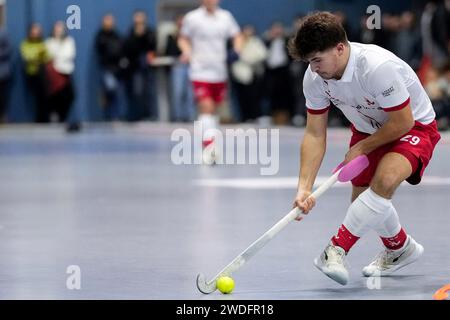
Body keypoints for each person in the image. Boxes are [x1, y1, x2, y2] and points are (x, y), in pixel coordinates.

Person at [288, 12, 441, 285]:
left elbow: (402, 122)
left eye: (317, 60)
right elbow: (314, 134)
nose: (313, 68)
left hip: (412, 125)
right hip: (368, 128)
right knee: (364, 202)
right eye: (309, 62)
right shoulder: (315, 79)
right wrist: (304, 187)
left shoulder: (375, 67)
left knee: (385, 179)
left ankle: (335, 250)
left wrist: (362, 148)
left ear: (340, 48)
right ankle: (400, 248)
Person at [178, 0, 242, 164]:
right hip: (199, 70)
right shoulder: (192, 18)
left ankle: (210, 144)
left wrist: (236, 50)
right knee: (206, 106)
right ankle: (209, 146)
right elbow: (183, 39)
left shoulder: (225, 17)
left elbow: (237, 36)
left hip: (219, 71)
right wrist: (187, 52)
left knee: (214, 110)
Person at [122, 10, 157, 122]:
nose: (139, 20)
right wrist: (137, 36)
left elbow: (153, 47)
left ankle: (149, 114)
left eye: (141, 17)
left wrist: (144, 36)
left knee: (149, 91)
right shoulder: (131, 33)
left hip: (148, 67)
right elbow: (128, 49)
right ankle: (137, 115)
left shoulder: (150, 32)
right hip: (135, 68)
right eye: (137, 17)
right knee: (137, 91)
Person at [165, 14, 196, 123]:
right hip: (178, 65)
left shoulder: (191, 37)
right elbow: (168, 51)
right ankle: (177, 116)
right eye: (179, 22)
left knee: (190, 93)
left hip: (191, 65)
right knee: (177, 92)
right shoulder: (172, 36)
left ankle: (190, 116)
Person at [45, 21, 76, 125]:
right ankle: (54, 117)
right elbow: (49, 56)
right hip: (54, 73)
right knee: (54, 96)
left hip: (66, 72)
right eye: (57, 28)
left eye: (61, 28)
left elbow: (69, 54)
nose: (59, 30)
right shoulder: (49, 42)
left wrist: (57, 56)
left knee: (70, 96)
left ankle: (62, 118)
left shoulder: (69, 41)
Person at [95, 14, 124, 121]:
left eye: (111, 20)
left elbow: (120, 50)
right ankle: (108, 116)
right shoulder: (100, 36)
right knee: (109, 91)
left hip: (117, 70)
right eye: (107, 20)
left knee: (117, 93)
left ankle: (115, 117)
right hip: (106, 69)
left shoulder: (117, 35)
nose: (109, 22)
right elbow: (104, 51)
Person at [20, 23, 49, 123]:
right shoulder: (25, 43)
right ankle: (39, 120)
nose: (36, 32)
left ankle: (45, 119)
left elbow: (47, 56)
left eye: (38, 30)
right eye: (34, 30)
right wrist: (39, 55)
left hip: (42, 73)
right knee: (37, 97)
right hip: (32, 74)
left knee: (44, 97)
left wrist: (39, 56)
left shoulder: (42, 43)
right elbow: (27, 56)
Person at [0, 27, 11, 123]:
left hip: (2, 72)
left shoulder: (3, 33)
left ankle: (2, 116)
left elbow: (8, 49)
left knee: (2, 96)